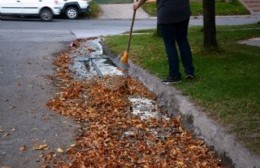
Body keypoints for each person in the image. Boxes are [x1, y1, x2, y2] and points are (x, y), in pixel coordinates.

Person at [133, 0, 195, 84]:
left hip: (166, 13)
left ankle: (174, 75)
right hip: (183, 10)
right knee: (182, 39)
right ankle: (189, 71)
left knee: (170, 44)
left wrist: (138, 4)